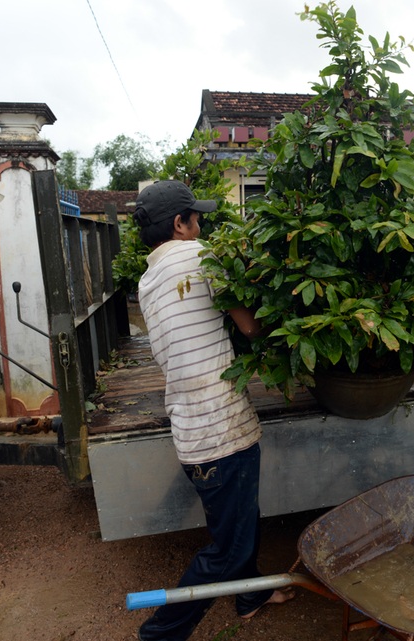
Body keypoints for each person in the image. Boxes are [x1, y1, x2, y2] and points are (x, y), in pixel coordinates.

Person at [132, 181, 293, 641]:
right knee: (227, 549)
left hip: (192, 431)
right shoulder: (201, 256)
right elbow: (251, 327)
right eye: (196, 218)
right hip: (221, 432)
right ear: (180, 224)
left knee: (240, 519)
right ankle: (160, 635)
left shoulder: (147, 280)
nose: (201, 225)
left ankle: (250, 595)